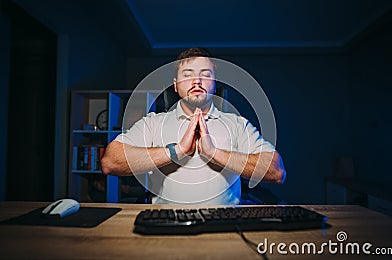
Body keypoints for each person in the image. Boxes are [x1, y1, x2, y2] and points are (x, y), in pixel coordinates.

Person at [101, 48, 286, 204]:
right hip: (165, 227)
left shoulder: (238, 124)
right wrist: (177, 151)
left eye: (205, 75)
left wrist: (214, 153)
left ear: (214, 83)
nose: (197, 81)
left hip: (225, 229)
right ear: (175, 85)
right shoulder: (153, 123)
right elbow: (110, 162)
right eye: (187, 75)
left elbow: (276, 172)